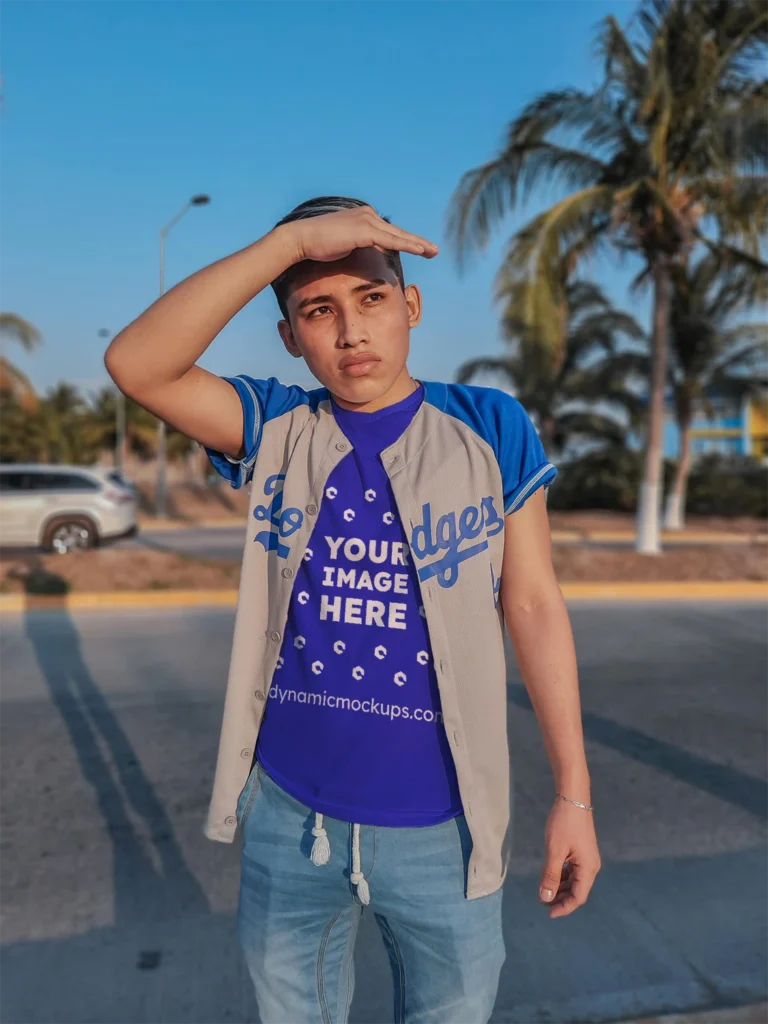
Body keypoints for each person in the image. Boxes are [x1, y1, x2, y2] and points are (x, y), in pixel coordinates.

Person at [105, 196, 601, 1024]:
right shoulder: (276, 428)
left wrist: (574, 797)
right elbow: (138, 366)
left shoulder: (489, 427)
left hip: (445, 829)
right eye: (318, 310)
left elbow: (535, 604)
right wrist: (289, 244)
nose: (350, 332)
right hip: (290, 819)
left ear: (410, 306)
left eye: (371, 299)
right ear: (291, 336)